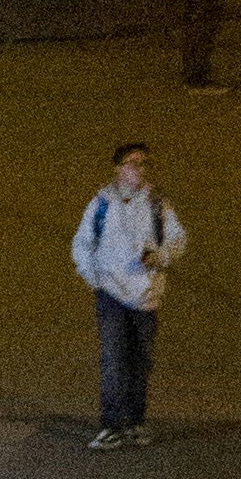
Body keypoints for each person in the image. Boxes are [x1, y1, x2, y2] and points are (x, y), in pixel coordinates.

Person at [71, 140, 185, 447]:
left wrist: (159, 256)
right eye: (134, 163)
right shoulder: (101, 203)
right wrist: (93, 277)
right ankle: (111, 424)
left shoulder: (157, 203)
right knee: (112, 359)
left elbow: (177, 239)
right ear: (119, 169)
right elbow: (81, 244)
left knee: (140, 360)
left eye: (144, 163)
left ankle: (135, 421)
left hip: (145, 295)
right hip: (110, 293)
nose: (140, 169)